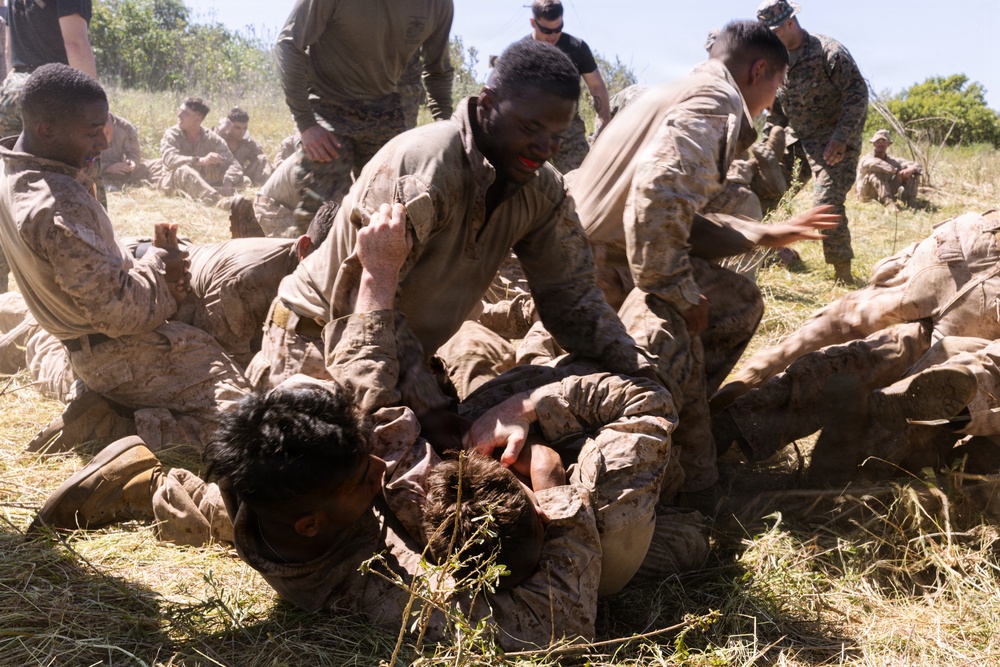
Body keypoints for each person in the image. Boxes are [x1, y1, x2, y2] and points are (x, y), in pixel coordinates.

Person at [30, 203, 614, 649]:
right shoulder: (363, 580)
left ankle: (149, 479)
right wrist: (551, 485)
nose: (381, 471)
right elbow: (547, 627)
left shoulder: (292, 427)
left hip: (287, 498)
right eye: (364, 478)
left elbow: (362, 392)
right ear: (316, 525)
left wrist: (376, 279)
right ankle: (152, 487)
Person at [249, 40, 653, 421]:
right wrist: (423, 412)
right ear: (488, 104)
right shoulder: (423, 172)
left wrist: (638, 370)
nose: (544, 148)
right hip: (317, 346)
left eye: (556, 136)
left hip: (399, 360)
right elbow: (361, 317)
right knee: (369, 473)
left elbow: (574, 301)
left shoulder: (542, 190)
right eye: (530, 128)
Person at [566, 21, 834, 502]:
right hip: (603, 268)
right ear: (758, 70)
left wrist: (763, 234)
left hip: (576, 255)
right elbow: (657, 199)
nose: (773, 101)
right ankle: (675, 465)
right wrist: (677, 290)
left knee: (731, 298)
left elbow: (670, 215)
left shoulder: (677, 91)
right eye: (776, 85)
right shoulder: (716, 101)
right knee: (722, 308)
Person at [0, 64, 249, 450]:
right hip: (121, 355)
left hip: (97, 342)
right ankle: (110, 427)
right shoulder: (56, 205)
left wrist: (142, 255)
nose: (102, 141)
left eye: (104, 127)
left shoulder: (19, 168)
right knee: (247, 431)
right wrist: (160, 264)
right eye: (92, 132)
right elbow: (118, 314)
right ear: (47, 131)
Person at [712, 210, 1000, 479]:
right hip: (989, 303)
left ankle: (730, 418)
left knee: (877, 341)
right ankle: (860, 466)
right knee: (949, 379)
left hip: (971, 239)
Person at [275, 0, 454, 227]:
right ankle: (308, 257)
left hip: (387, 108)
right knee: (322, 210)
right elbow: (289, 44)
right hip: (328, 104)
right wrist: (306, 123)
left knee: (389, 212)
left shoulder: (436, 5)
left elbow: (437, 70)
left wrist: (445, 129)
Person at [757, 0, 868, 284]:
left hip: (832, 141)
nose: (771, 39)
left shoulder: (828, 51)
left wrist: (842, 137)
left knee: (825, 203)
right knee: (764, 190)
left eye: (775, 31)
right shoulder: (776, 60)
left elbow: (857, 94)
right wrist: (770, 141)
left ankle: (843, 275)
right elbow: (777, 108)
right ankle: (761, 254)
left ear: (790, 22)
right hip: (797, 139)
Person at [521, 0, 611, 172]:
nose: (553, 35)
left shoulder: (577, 48)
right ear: (533, 23)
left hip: (568, 130)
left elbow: (596, 86)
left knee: (581, 183)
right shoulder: (522, 52)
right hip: (531, 131)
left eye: (558, 28)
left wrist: (605, 120)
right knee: (525, 188)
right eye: (546, 30)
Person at [153, 97, 244, 206]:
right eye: (180, 111)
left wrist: (228, 182)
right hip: (173, 182)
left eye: (185, 113)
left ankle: (245, 199)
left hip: (201, 180)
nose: (179, 115)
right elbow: (169, 160)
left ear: (198, 119)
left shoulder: (211, 138)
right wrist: (199, 161)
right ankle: (218, 202)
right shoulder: (172, 134)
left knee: (241, 179)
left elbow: (233, 163)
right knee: (184, 171)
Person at [856, 129, 922, 208]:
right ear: (873, 143)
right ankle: (889, 203)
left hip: (884, 192)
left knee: (913, 173)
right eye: (878, 141)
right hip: (867, 194)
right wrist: (897, 171)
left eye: (884, 141)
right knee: (875, 174)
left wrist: (909, 170)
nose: (881, 143)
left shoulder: (892, 160)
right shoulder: (866, 158)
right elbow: (878, 164)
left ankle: (911, 203)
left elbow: (917, 165)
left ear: (888, 144)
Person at [215, 107, 273, 187]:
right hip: (218, 178)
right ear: (229, 126)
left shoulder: (247, 143)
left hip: (239, 177)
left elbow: (262, 161)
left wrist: (275, 168)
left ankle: (263, 190)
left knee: (263, 158)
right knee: (246, 181)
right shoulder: (218, 137)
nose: (241, 132)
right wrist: (222, 129)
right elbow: (206, 145)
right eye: (237, 128)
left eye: (244, 128)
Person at [99, 112, 147, 190]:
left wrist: (132, 162)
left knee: (146, 169)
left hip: (119, 172)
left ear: (111, 122)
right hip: (95, 170)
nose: (104, 139)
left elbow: (134, 153)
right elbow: (82, 162)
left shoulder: (125, 128)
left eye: (107, 133)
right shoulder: (85, 128)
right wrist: (107, 168)